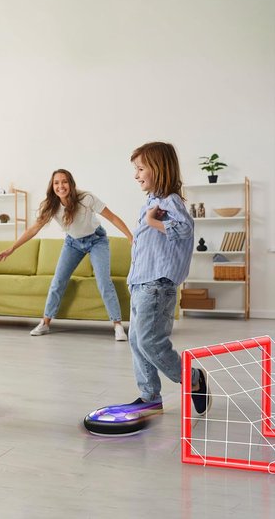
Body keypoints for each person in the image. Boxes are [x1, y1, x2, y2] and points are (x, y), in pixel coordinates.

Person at [124, 141, 210, 417]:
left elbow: (184, 230)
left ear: (159, 169)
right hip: (141, 283)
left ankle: (193, 378)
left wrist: (152, 223)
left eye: (140, 169)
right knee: (137, 341)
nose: (136, 175)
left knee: (150, 341)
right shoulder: (151, 202)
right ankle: (150, 396)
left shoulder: (170, 201)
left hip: (157, 285)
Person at [0, 169, 133, 341]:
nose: (61, 186)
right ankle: (45, 323)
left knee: (104, 281)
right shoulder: (52, 206)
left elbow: (112, 217)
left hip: (96, 240)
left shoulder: (86, 198)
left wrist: (130, 237)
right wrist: (12, 248)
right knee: (58, 281)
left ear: (71, 183)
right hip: (73, 243)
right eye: (56, 183)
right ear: (52, 186)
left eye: (64, 181)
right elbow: (33, 229)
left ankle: (118, 326)